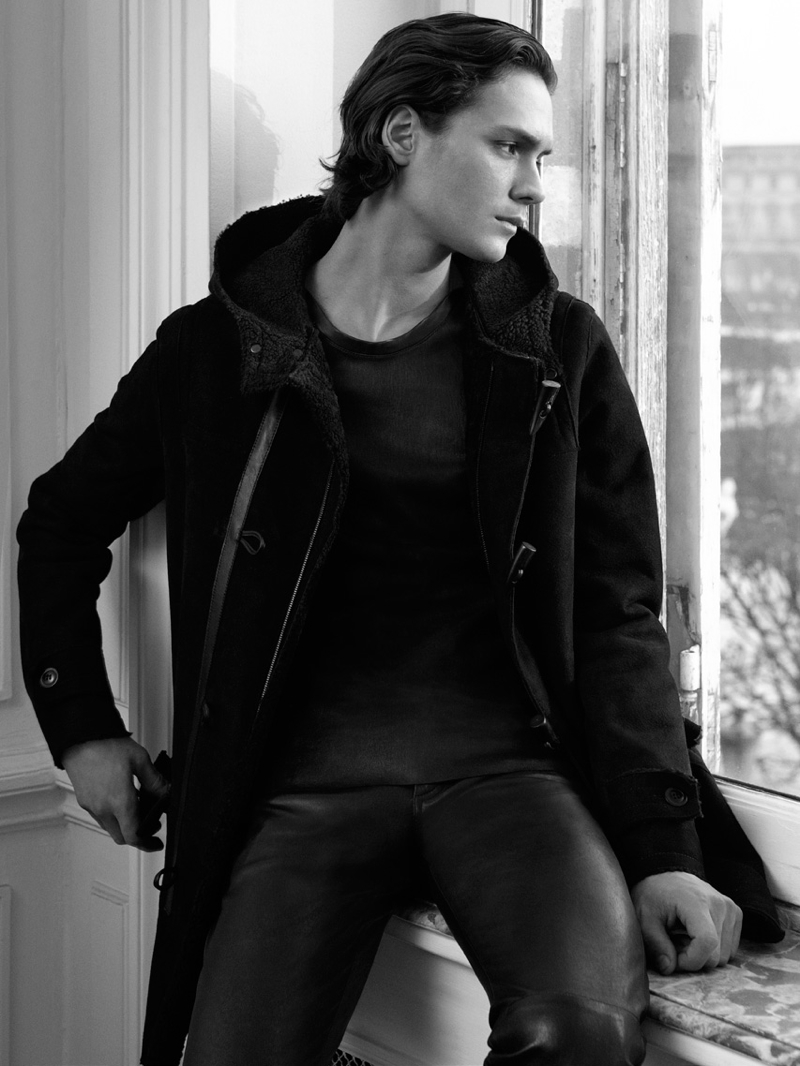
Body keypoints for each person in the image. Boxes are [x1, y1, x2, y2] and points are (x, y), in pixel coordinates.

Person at [16, 13, 780, 1066]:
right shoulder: (215, 352)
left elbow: (617, 614)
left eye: (541, 156)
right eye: (508, 146)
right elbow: (59, 520)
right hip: (299, 789)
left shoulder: (557, 350)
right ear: (403, 133)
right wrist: (82, 728)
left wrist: (662, 848)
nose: (533, 187)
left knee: (577, 1034)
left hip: (510, 778)